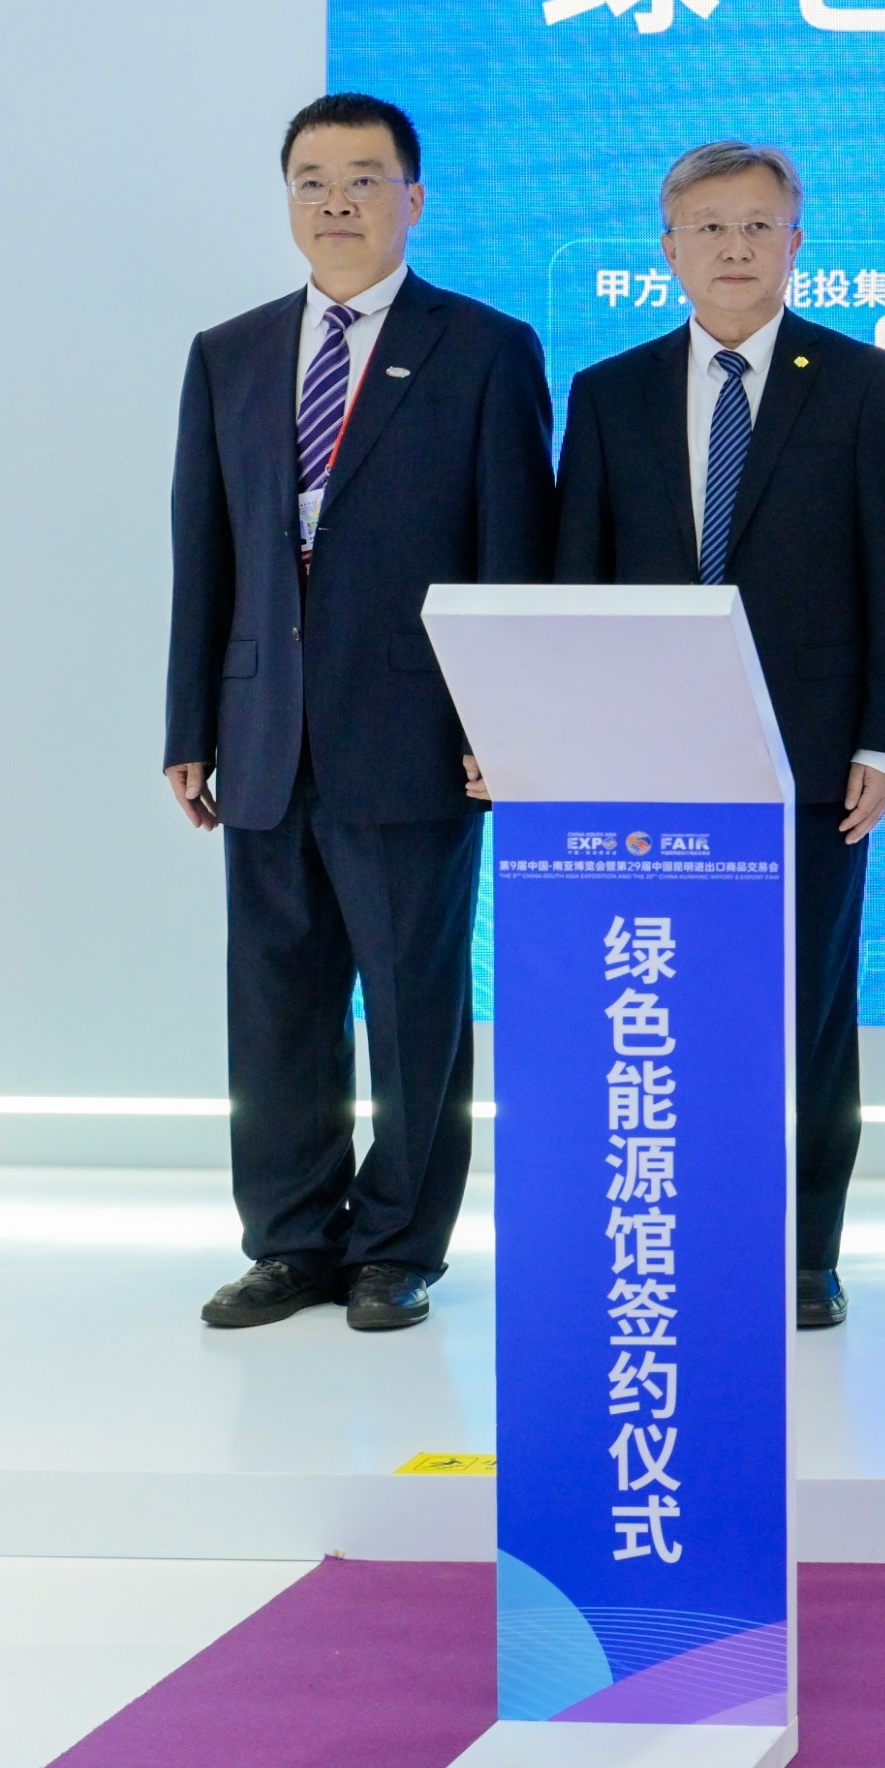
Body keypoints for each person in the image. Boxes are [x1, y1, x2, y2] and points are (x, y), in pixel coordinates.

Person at [166, 92, 553, 1334]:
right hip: (263, 734)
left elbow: (513, 555)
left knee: (411, 1008)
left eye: (363, 178)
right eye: (313, 179)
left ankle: (396, 1245)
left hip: (416, 737)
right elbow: (203, 555)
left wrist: (504, 718)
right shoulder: (227, 353)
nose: (336, 200)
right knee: (275, 1008)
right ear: (288, 198)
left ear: (412, 198)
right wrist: (188, 724)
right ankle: (290, 1240)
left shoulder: (483, 348)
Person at [556, 143, 885, 1333]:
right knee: (663, 1009)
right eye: (709, 226)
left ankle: (804, 1251)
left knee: (804, 1012)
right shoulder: (608, 391)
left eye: (757, 225)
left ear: (794, 242)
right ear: (667, 248)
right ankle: (675, 1234)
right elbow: (577, 582)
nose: (734, 247)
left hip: (811, 754)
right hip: (648, 755)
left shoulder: (860, 381)